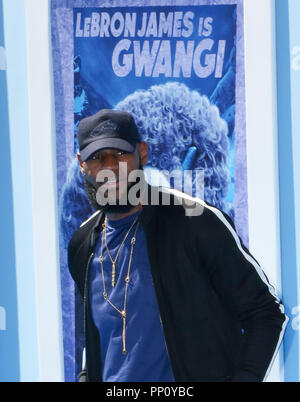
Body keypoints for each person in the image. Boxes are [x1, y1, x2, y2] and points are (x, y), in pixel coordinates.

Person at [68, 108, 288, 382]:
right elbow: (95, 339)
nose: (111, 167)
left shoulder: (194, 221)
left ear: (143, 153)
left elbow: (265, 313)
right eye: (97, 157)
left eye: (121, 154)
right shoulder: (82, 244)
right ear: (81, 163)